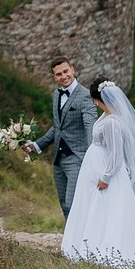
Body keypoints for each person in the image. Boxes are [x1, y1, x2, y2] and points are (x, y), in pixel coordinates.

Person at [60, 78, 135, 269]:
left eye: (94, 100)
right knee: (92, 209)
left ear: (97, 99)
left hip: (107, 175)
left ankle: (103, 251)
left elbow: (116, 155)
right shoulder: (105, 116)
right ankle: (87, 248)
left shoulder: (112, 123)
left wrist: (106, 177)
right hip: (94, 169)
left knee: (106, 210)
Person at [24, 58, 97, 220]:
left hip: (77, 159)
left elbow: (90, 127)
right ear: (54, 77)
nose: (63, 76)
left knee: (74, 204)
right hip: (58, 159)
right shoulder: (56, 95)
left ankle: (83, 243)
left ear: (73, 70)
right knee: (64, 204)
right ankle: (70, 243)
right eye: (58, 74)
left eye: (66, 72)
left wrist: (93, 157)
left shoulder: (85, 96)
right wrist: (37, 145)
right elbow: (58, 127)